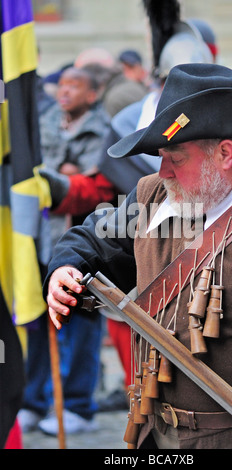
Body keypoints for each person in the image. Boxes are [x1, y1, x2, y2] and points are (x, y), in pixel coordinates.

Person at [44, 63, 232, 449]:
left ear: (225, 154)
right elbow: (92, 241)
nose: (162, 171)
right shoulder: (151, 195)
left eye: (175, 158)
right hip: (153, 435)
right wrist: (65, 268)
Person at [18, 66, 116, 436]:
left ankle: (78, 405)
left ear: (92, 94)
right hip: (42, 238)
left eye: (75, 86)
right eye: (62, 85)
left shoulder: (102, 129)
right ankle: (35, 399)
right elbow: (41, 169)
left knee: (81, 328)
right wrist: (64, 173)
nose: (65, 91)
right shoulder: (46, 121)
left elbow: (91, 185)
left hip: (84, 243)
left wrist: (61, 178)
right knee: (40, 323)